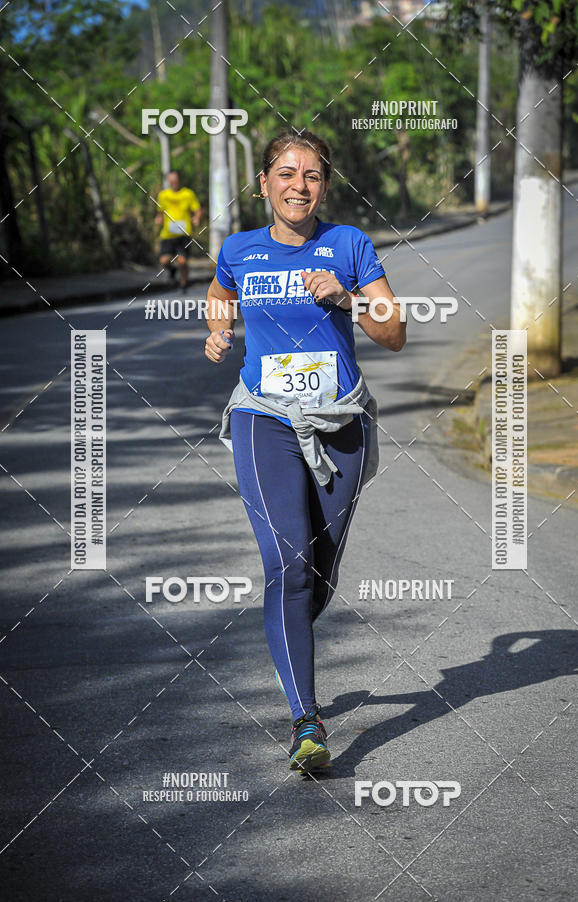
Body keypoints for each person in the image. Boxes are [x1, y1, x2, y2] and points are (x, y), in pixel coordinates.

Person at [204, 130, 406, 773]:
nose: (299, 185)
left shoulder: (348, 245)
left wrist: (345, 297)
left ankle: (288, 631)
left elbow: (395, 331)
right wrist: (219, 329)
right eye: (286, 174)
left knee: (316, 572)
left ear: (325, 186)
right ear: (263, 183)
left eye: (312, 175)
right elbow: (219, 295)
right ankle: (307, 722)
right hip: (264, 417)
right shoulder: (238, 250)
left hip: (340, 421)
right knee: (287, 564)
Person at [155, 170, 202, 294]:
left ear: (179, 180)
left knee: (182, 261)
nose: (173, 182)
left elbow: (197, 210)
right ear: (168, 181)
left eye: (175, 180)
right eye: (171, 180)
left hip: (183, 234)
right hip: (167, 234)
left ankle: (183, 285)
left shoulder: (188, 194)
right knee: (164, 261)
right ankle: (172, 271)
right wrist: (158, 218)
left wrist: (196, 218)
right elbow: (160, 212)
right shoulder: (163, 195)